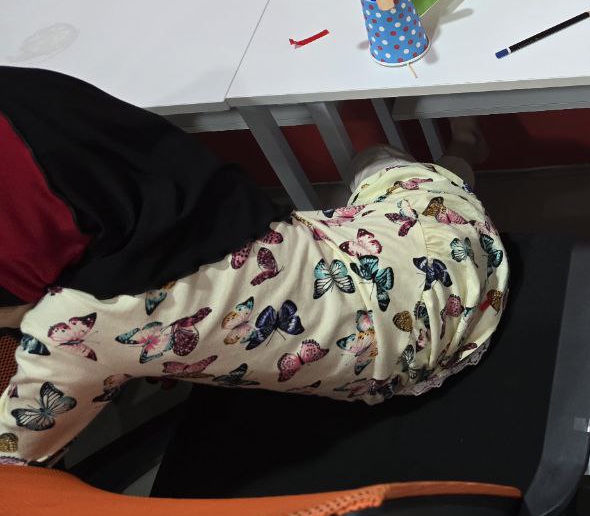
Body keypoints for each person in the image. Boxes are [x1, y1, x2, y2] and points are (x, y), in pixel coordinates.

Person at [0, 68, 507, 467]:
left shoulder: (72, 330)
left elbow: (16, 454)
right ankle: (459, 156)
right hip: (400, 287)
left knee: (378, 169)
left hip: (428, 320)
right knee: (373, 161)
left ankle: (461, 157)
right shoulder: (189, 186)